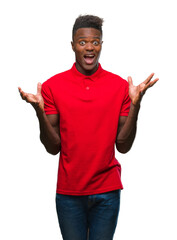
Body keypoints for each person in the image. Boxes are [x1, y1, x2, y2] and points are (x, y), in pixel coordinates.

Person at [18, 15, 158, 240]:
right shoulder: (53, 86)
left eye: (95, 41)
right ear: (72, 45)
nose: (89, 47)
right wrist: (39, 112)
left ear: (101, 44)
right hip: (69, 193)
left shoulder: (120, 86)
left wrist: (135, 106)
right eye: (82, 42)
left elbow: (123, 146)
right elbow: (52, 147)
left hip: (107, 191)